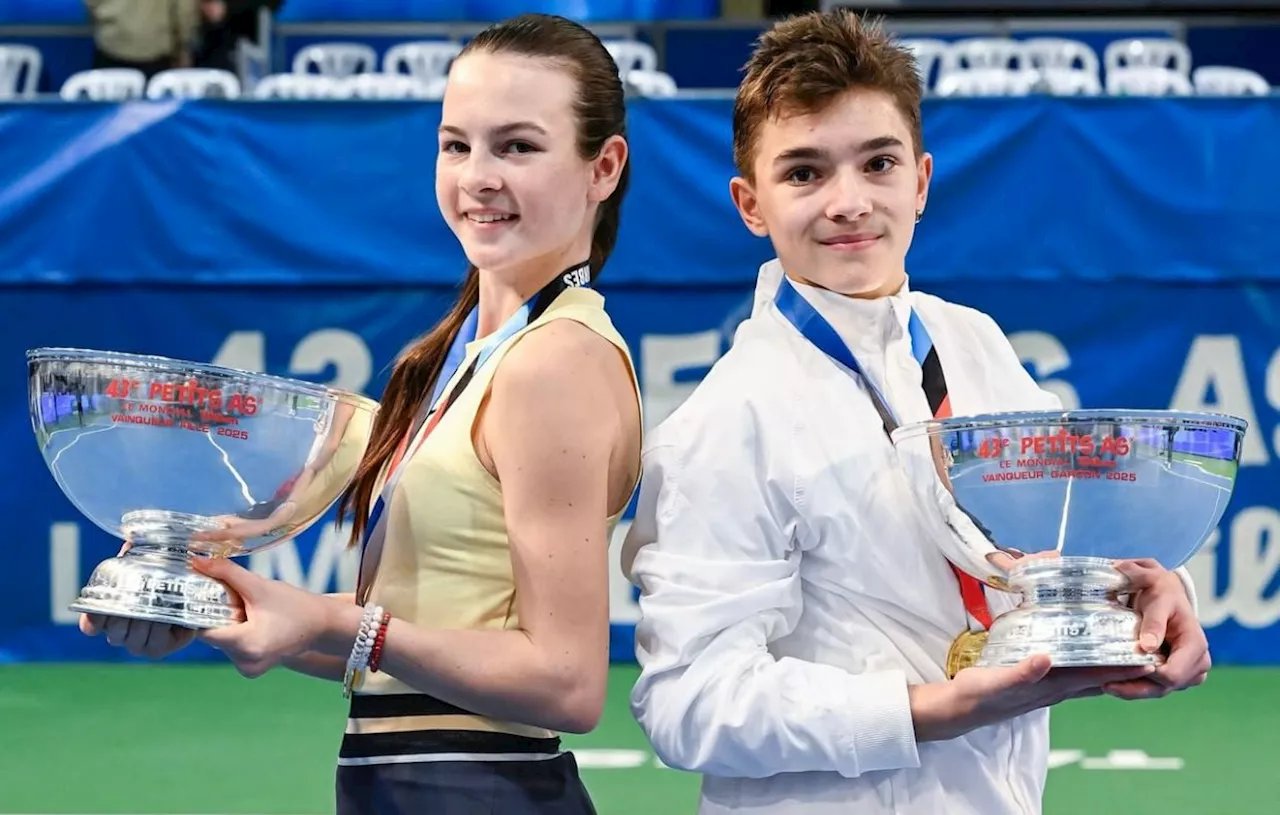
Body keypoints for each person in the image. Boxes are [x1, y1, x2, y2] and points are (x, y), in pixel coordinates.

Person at [619, 11, 1210, 815]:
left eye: (878, 162)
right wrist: (930, 709)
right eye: (804, 173)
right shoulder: (727, 421)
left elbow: (1068, 532)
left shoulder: (973, 343)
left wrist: (1153, 591)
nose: (849, 201)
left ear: (922, 181)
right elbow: (688, 701)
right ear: (750, 204)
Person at [81, 13, 642, 814]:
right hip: (411, 783)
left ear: (604, 166)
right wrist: (232, 608)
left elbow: (566, 679)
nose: (478, 175)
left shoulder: (557, 361)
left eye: (518, 146)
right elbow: (424, 635)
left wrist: (336, 626)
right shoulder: (473, 350)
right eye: (457, 144)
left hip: (481, 790)